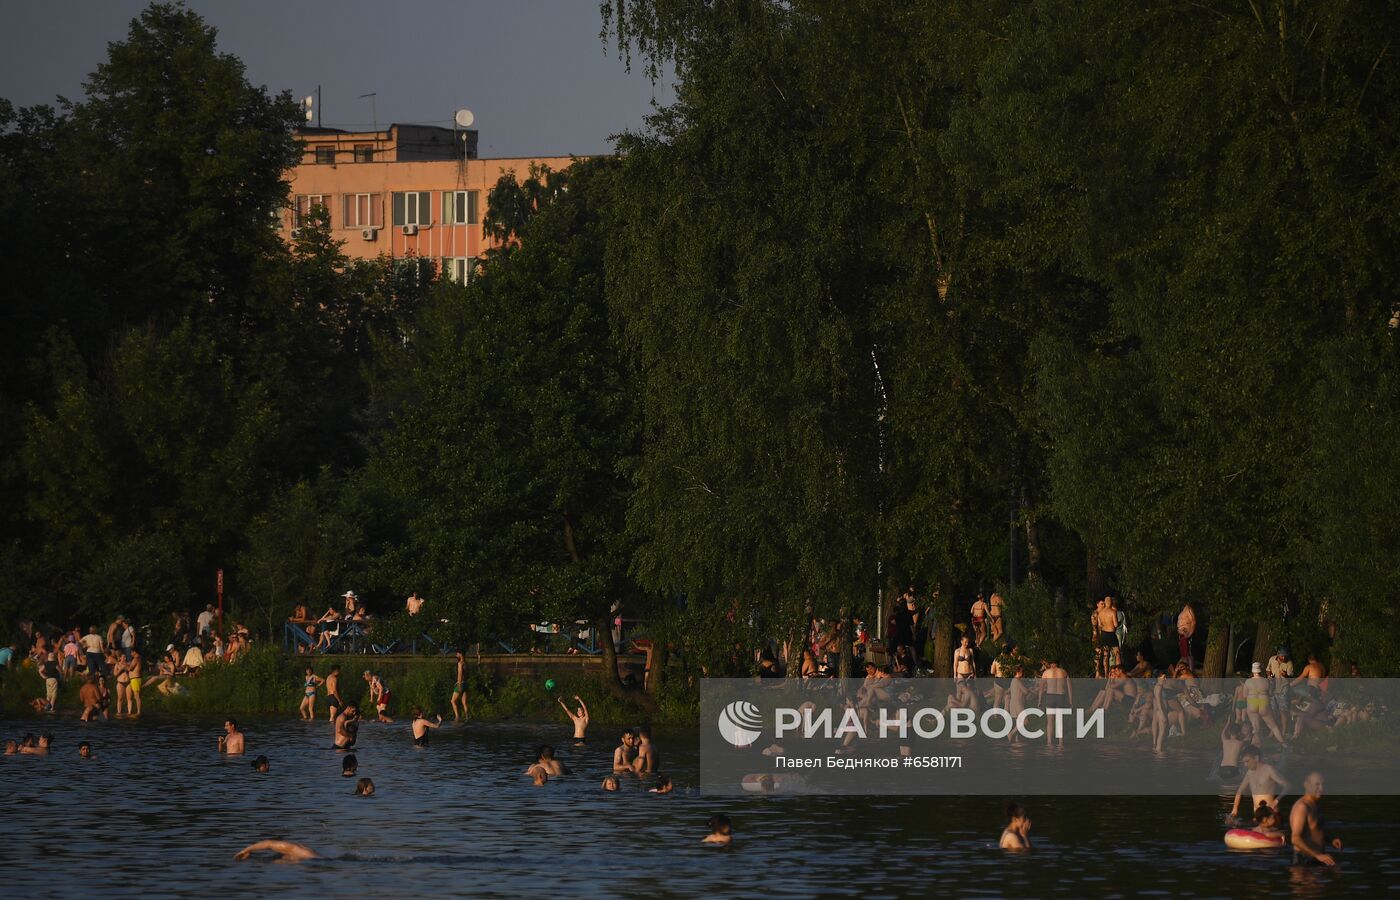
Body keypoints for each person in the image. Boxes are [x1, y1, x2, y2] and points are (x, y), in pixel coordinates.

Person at [1290, 771, 1343, 866]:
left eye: (1323, 784)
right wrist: (1317, 855)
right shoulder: (1302, 807)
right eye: (1317, 784)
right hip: (1303, 858)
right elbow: (1295, 839)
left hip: (1318, 857)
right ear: (1306, 785)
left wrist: (1331, 840)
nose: (1321, 788)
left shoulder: (1316, 804)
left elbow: (1315, 829)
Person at [1230, 746, 1289, 819]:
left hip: (1271, 813)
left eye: (1247, 761)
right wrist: (1235, 809)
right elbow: (1240, 790)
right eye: (1244, 762)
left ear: (1256, 758)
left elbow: (1287, 786)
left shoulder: (1269, 770)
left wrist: (1276, 801)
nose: (1245, 765)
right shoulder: (1249, 772)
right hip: (1257, 815)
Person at [234, 840, 321, 862]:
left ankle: (250, 857)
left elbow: (268, 843)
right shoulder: (304, 850)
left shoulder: (292, 847)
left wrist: (244, 850)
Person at [450, 652, 469, 721]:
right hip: (466, 684)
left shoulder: (460, 663)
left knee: (452, 701)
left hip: (460, 683)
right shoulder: (465, 663)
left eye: (457, 654)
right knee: (464, 702)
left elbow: (460, 674)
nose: (456, 655)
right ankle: (467, 717)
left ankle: (457, 716)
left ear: (461, 654)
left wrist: (459, 684)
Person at [1177, 601, 1196, 667]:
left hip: (1187, 635)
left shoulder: (1188, 609)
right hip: (1182, 635)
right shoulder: (1182, 610)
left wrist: (1190, 633)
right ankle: (1186, 669)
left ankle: (1191, 671)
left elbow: (1193, 622)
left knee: (1189, 654)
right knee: (1184, 654)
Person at [127, 650, 144, 717]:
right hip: (135, 679)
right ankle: (137, 711)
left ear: (135, 652)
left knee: (137, 696)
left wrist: (124, 666)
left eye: (131, 652)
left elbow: (130, 669)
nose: (131, 654)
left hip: (135, 679)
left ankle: (138, 712)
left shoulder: (135, 659)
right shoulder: (139, 659)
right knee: (136, 696)